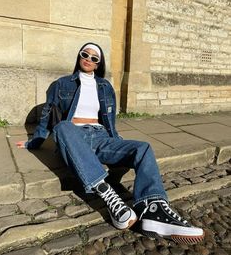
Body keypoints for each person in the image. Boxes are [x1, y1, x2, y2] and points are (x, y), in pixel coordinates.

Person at [17, 42, 204, 244]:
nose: (88, 59)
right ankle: (108, 196)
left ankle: (153, 209)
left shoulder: (105, 87)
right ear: (79, 57)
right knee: (62, 126)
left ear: (98, 64)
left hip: (100, 137)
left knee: (143, 148)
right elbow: (46, 115)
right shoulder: (61, 84)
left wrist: (116, 140)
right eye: (85, 55)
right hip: (73, 136)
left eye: (94, 58)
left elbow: (109, 119)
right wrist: (34, 142)